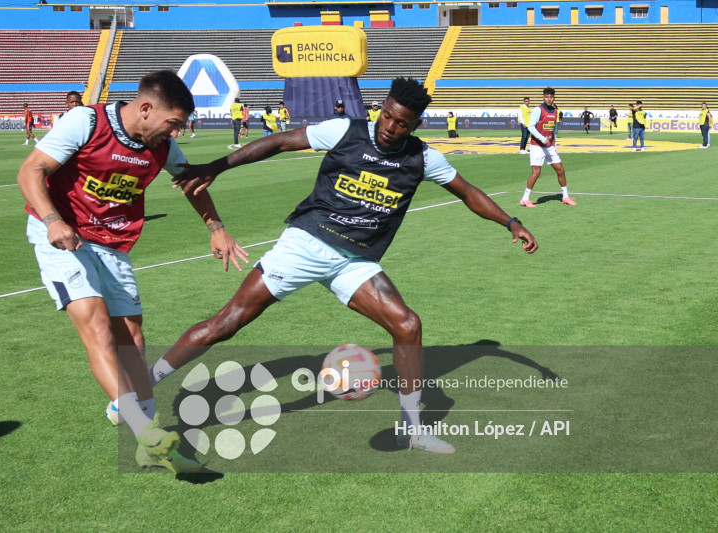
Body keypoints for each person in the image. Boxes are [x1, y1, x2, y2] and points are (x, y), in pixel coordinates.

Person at [144, 77, 537, 455]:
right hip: (307, 245)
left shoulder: (422, 158)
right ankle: (144, 385)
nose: (389, 126)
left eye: (401, 123)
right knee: (226, 323)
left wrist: (511, 222)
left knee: (407, 325)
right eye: (386, 115)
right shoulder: (346, 131)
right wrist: (217, 166)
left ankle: (412, 432)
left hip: (355, 261)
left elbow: (467, 192)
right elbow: (282, 141)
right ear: (380, 108)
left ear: (415, 124)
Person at [16, 70, 248, 474]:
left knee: (133, 337)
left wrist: (217, 228)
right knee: (96, 324)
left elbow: (190, 181)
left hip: (112, 242)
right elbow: (30, 171)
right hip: (61, 234)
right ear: (145, 109)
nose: (175, 132)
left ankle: (142, 434)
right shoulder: (86, 122)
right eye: (172, 123)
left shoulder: (161, 146)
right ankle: (146, 434)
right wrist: (53, 220)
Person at [520, 87, 576, 207]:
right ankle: (525, 198)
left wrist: (552, 141)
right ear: (543, 97)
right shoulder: (537, 110)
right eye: (547, 97)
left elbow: (552, 128)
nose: (549, 99)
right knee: (536, 172)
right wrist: (543, 139)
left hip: (549, 146)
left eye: (551, 97)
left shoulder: (555, 110)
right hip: (537, 146)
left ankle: (565, 197)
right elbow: (530, 127)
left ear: (554, 98)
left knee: (560, 169)